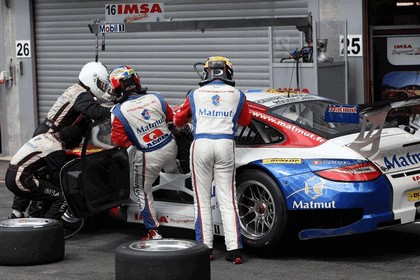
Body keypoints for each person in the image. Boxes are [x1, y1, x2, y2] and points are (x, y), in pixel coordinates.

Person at [173, 56, 252, 264]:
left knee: (202, 200)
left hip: (201, 144)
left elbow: (178, 120)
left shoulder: (195, 94)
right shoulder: (238, 94)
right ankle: (234, 250)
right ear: (228, 72)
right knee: (228, 199)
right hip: (226, 144)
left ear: (206, 72)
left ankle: (205, 249)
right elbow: (246, 121)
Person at [9, 61, 112, 219]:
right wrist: (116, 110)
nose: (103, 89)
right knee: (43, 176)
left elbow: (87, 122)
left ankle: (18, 212)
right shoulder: (82, 95)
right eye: (101, 84)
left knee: (32, 170)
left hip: (47, 133)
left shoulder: (77, 91)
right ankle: (35, 216)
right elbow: (94, 111)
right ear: (92, 79)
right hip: (51, 138)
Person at [109, 65, 180, 240]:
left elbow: (118, 141)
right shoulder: (156, 97)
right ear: (136, 81)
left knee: (141, 190)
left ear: (118, 88)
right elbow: (172, 118)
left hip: (149, 155)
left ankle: (153, 231)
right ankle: (177, 183)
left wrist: (137, 137)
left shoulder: (117, 112)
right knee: (171, 167)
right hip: (170, 145)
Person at [5, 126, 82, 220]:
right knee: (63, 197)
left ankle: (19, 214)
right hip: (21, 180)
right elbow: (57, 176)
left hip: (11, 174)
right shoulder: (56, 148)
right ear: (71, 140)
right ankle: (47, 227)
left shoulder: (44, 136)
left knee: (44, 186)